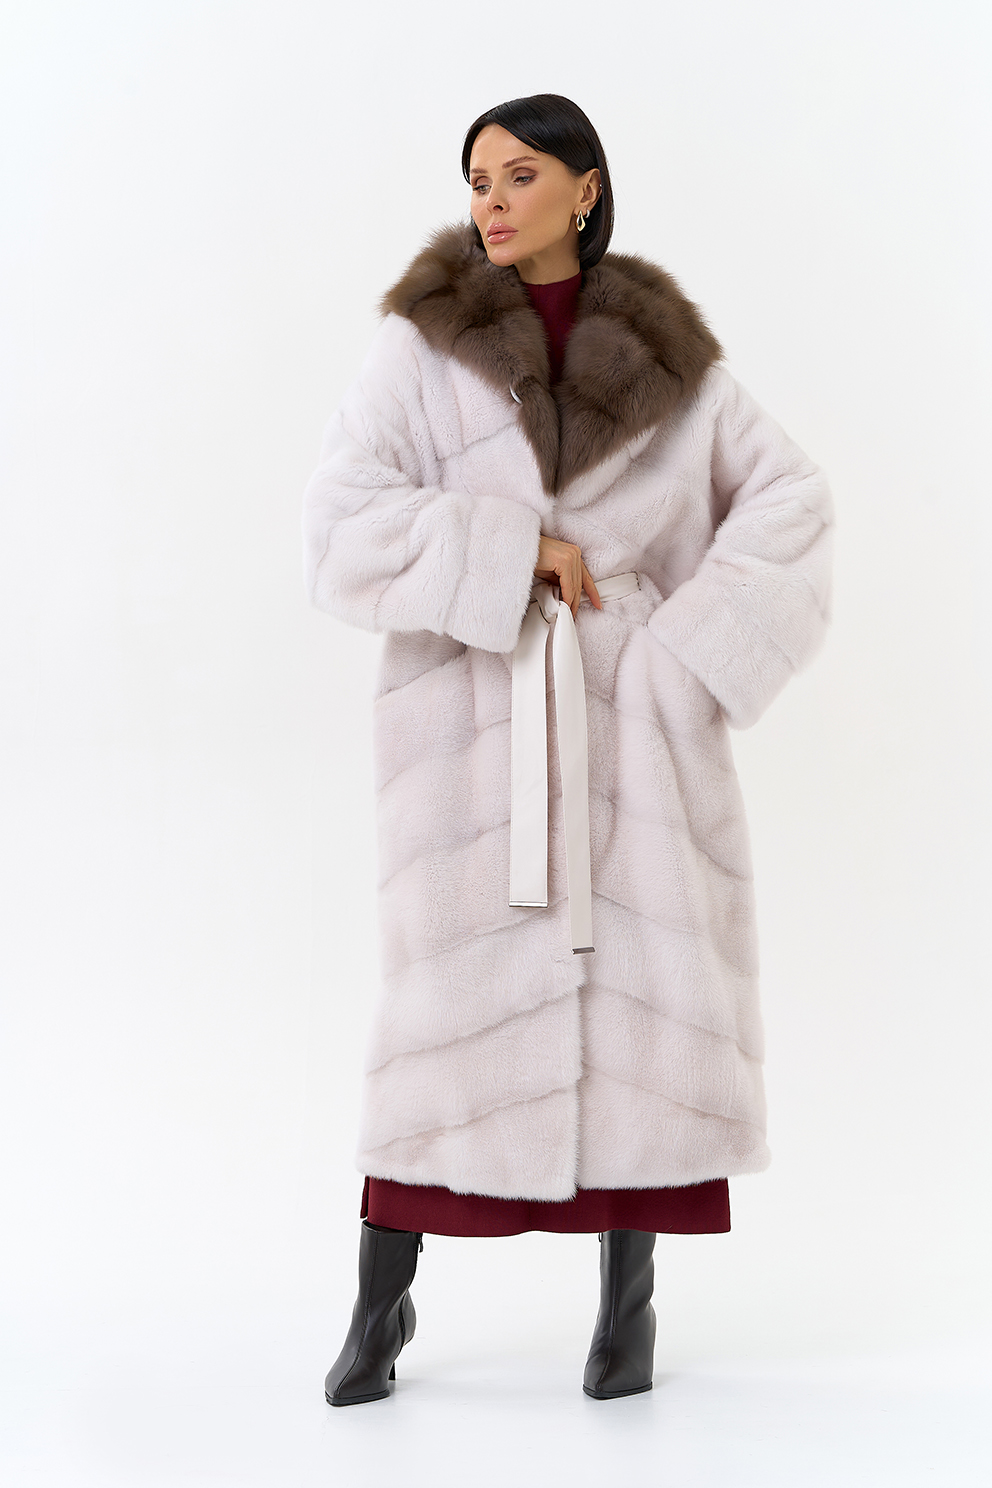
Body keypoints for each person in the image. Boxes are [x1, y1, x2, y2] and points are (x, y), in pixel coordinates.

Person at [302, 93, 833, 1406]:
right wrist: (505, 551)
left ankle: (627, 1310)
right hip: (467, 732)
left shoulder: (675, 364)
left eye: (519, 175)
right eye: (477, 179)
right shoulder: (419, 349)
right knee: (439, 1025)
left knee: (640, 1011)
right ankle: (380, 1307)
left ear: (585, 188)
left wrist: (681, 659)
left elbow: (790, 498)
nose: (491, 201)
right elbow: (341, 522)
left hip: (632, 737)